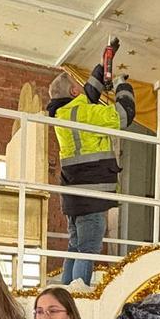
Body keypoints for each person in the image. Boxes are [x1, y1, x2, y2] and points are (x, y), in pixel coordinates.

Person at [47, 65, 135, 288]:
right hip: (92, 195)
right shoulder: (84, 114)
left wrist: (101, 68)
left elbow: (88, 94)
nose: (84, 90)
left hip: (74, 195)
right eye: (79, 86)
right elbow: (124, 115)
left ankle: (67, 292)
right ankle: (77, 295)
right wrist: (120, 85)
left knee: (75, 246)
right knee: (88, 249)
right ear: (74, 93)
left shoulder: (63, 113)